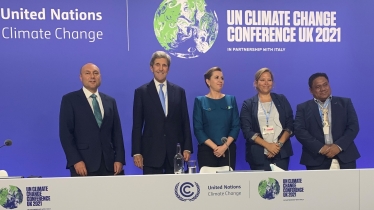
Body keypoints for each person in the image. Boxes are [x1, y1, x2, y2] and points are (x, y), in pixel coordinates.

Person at [132, 51, 193, 174]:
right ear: (151, 68)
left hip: (175, 154)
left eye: (164, 65)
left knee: (176, 191)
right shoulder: (141, 92)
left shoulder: (179, 91)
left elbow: (185, 122)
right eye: (157, 65)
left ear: (168, 69)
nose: (161, 68)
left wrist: (187, 148)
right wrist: (137, 152)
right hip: (151, 153)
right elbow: (137, 125)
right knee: (152, 191)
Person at [59, 63, 125, 176]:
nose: (92, 76)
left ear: (100, 76)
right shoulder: (70, 100)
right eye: (87, 73)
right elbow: (66, 134)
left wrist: (119, 159)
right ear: (81, 77)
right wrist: (76, 160)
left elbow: (117, 133)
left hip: (110, 165)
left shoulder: (110, 101)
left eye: (95, 73)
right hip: (83, 165)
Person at [294, 73, 360, 170]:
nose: (323, 89)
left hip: (345, 156)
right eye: (318, 87)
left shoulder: (345, 103)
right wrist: (320, 148)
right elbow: (299, 131)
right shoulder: (303, 108)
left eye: (325, 85)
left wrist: (338, 146)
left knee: (348, 185)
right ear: (311, 90)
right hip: (316, 159)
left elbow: (353, 127)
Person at [240, 68, 294, 171]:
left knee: (280, 185)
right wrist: (268, 146)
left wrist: (278, 145)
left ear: (272, 83)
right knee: (260, 186)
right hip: (258, 156)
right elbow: (247, 131)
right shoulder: (248, 104)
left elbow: (290, 124)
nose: (266, 83)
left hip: (281, 153)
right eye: (262, 80)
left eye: (269, 80)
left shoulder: (281, 99)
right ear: (256, 83)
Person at [193, 67, 240, 170]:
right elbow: (198, 129)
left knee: (228, 184)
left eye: (222, 78)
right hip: (207, 150)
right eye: (217, 77)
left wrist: (224, 147)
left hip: (227, 149)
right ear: (208, 81)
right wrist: (215, 148)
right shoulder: (200, 101)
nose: (220, 81)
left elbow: (236, 126)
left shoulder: (231, 100)